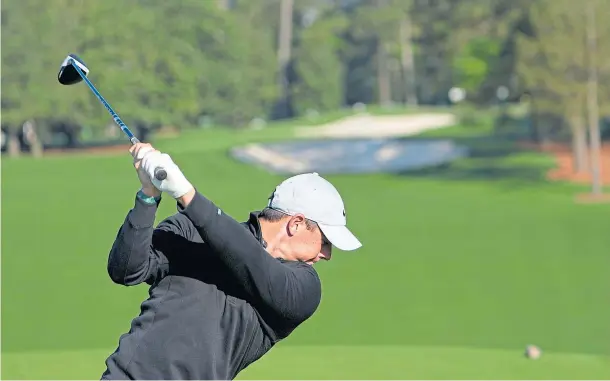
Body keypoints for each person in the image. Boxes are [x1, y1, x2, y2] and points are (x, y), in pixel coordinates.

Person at [101, 143, 362, 380]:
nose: (326, 254)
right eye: (325, 241)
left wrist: (186, 194)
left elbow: (249, 260)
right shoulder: (190, 229)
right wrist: (148, 195)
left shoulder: (304, 287)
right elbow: (126, 270)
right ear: (295, 224)